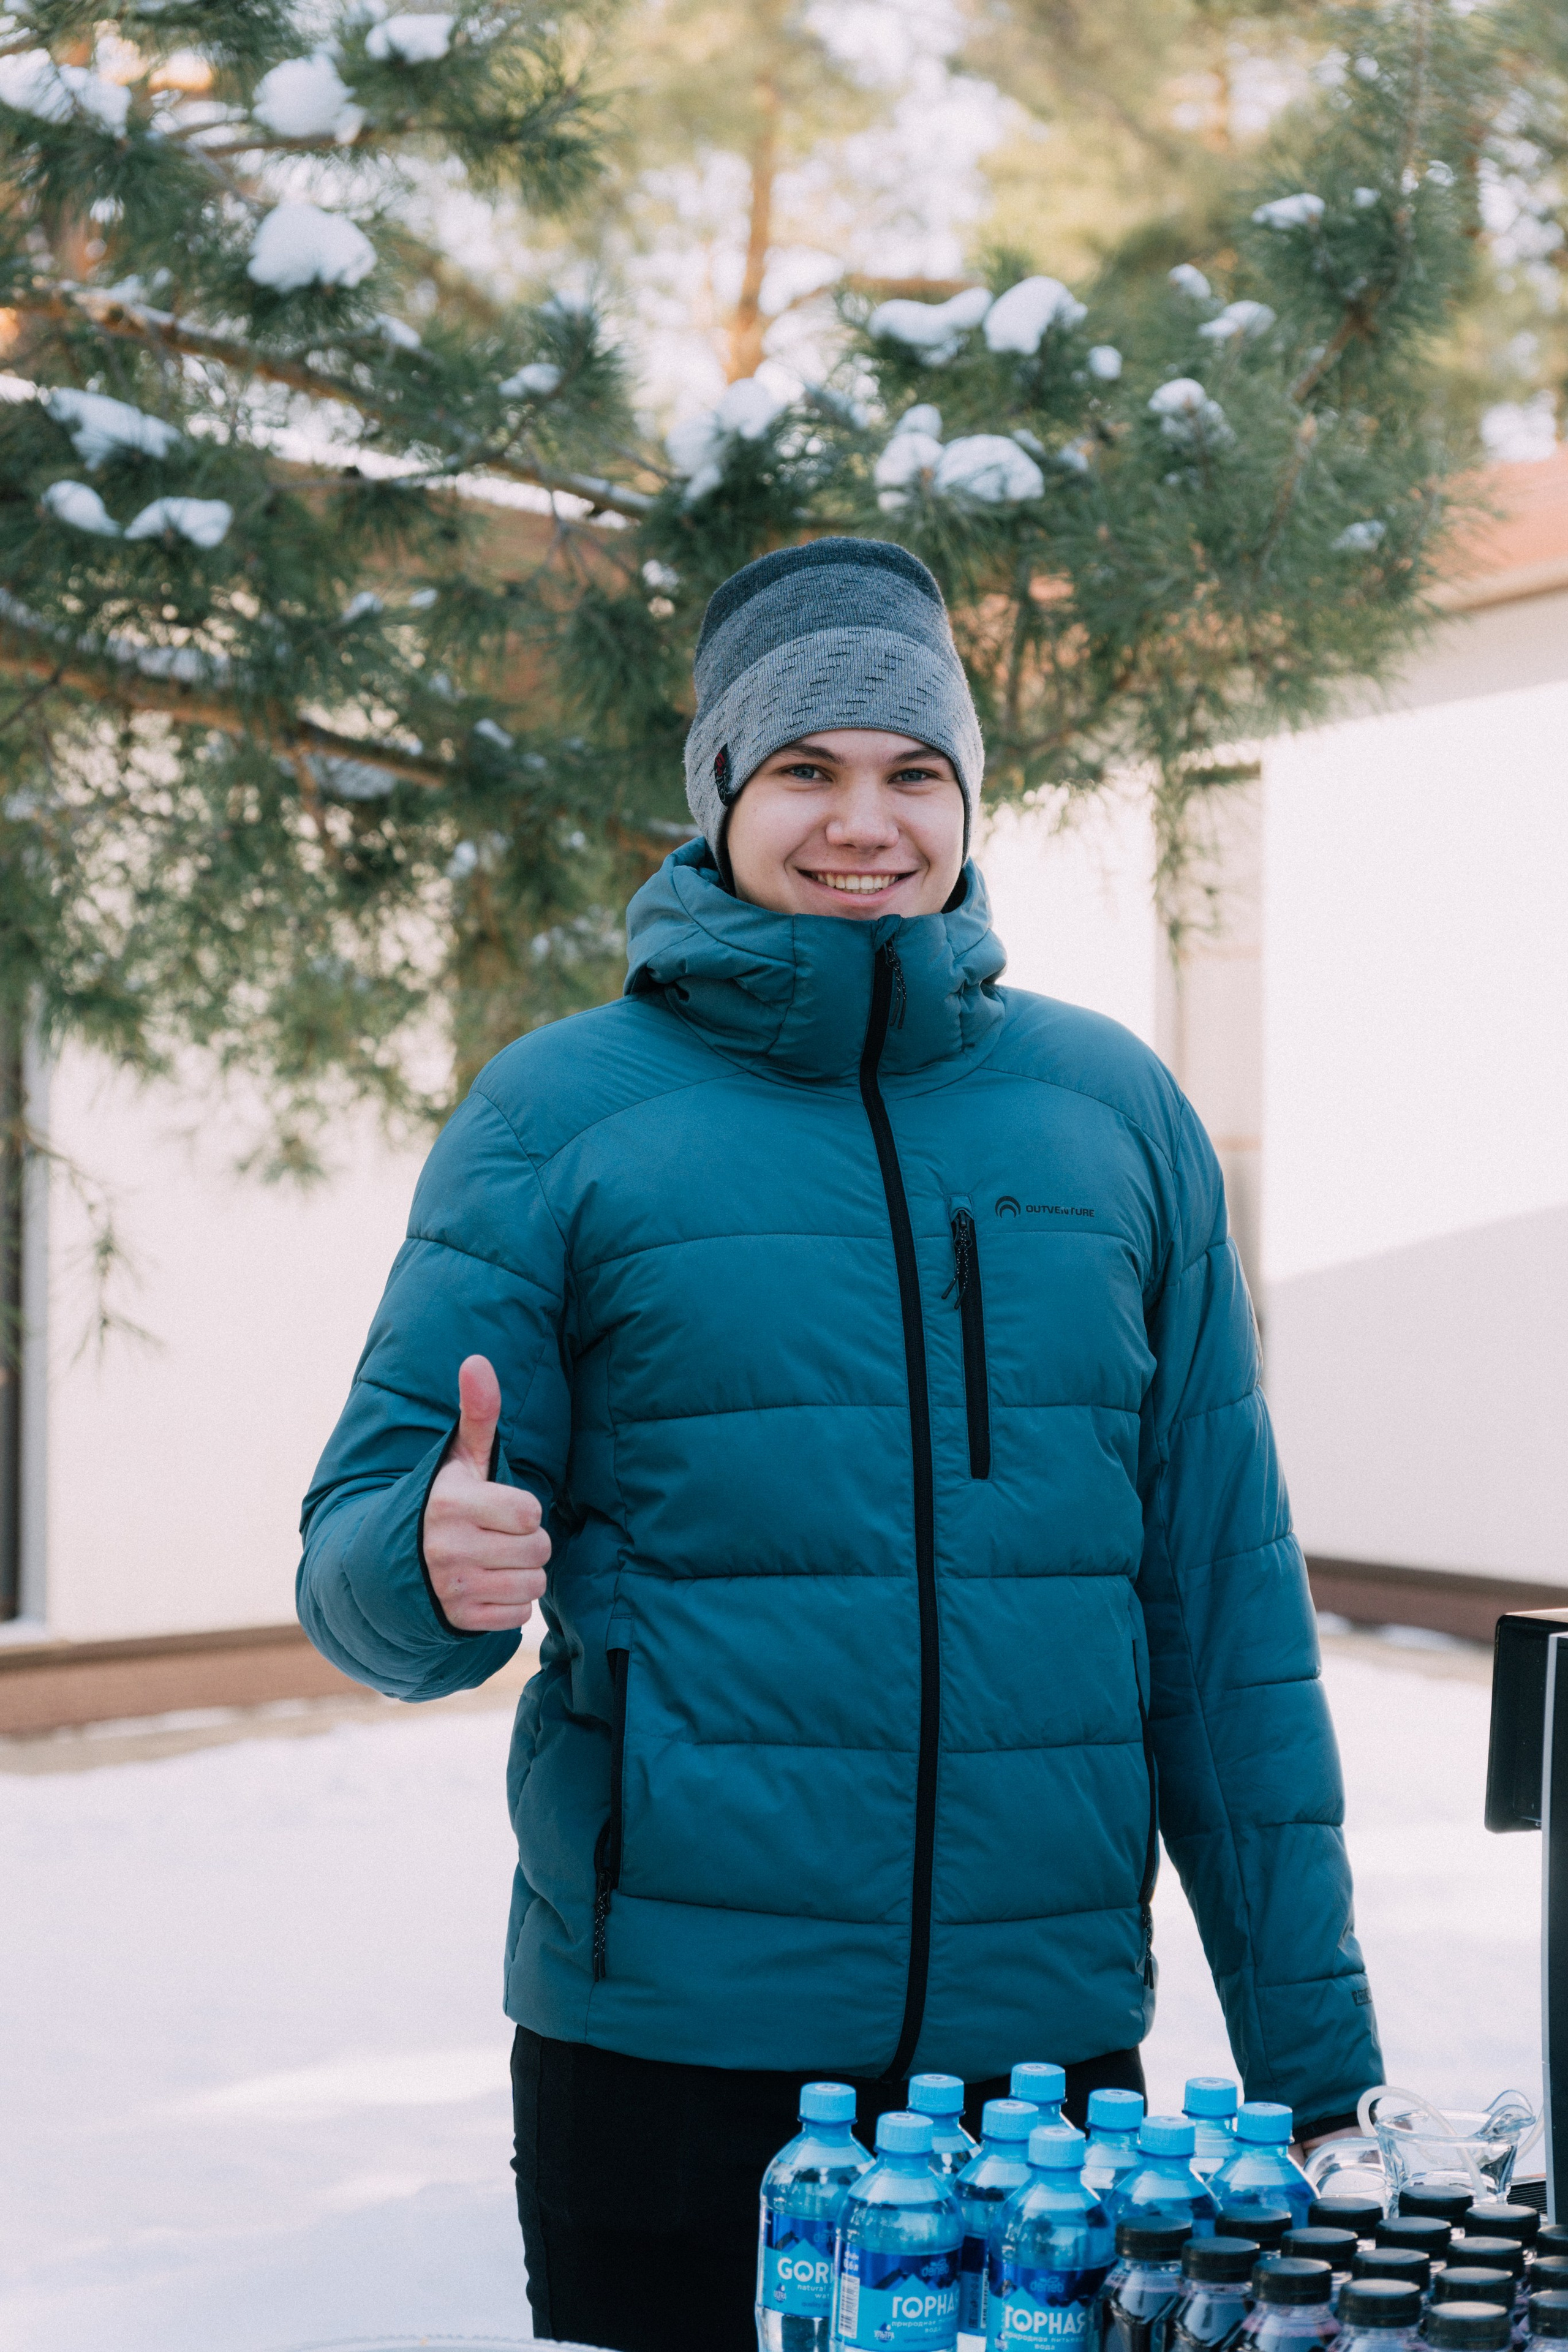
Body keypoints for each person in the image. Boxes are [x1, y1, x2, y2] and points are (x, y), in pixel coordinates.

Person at [298, 538, 1381, 2352]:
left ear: (968, 798)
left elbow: (1222, 1621)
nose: (861, 822)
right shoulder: (564, 1115)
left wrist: (1319, 2075)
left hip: (1042, 2086)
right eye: (804, 769)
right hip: (669, 2050)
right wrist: (421, 1563)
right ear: (720, 790)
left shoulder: (1111, 1111)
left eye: (913, 771)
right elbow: (365, 1559)